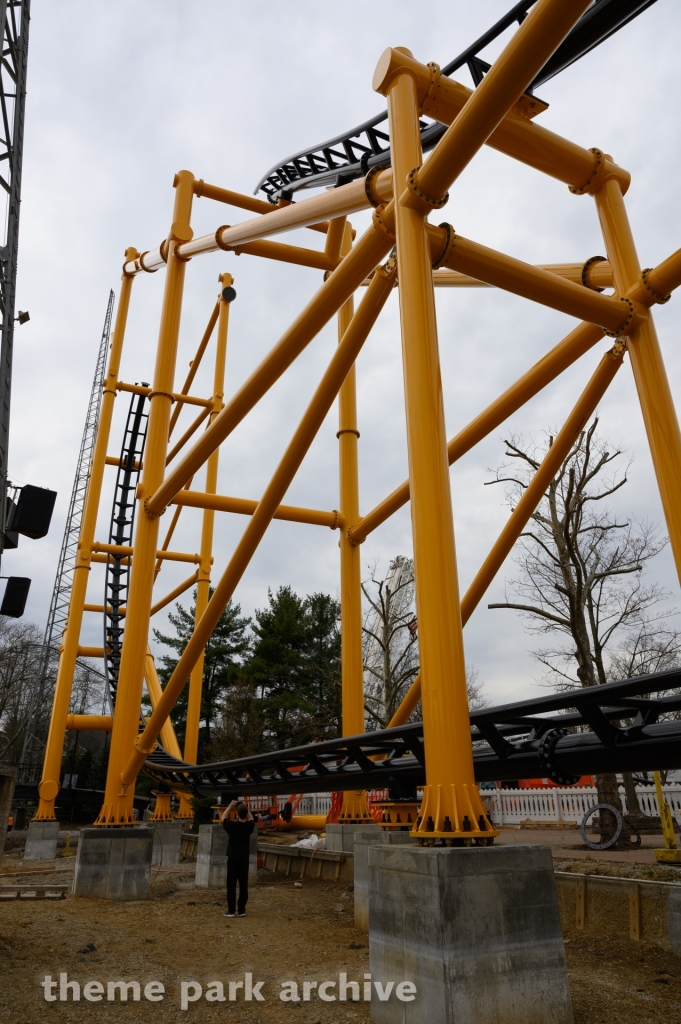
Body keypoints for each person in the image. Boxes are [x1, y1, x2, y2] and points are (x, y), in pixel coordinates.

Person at [221, 800, 255, 918]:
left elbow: (223, 817)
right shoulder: (249, 827)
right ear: (246, 814)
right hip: (244, 858)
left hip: (233, 857)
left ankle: (231, 910)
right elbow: (251, 819)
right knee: (243, 884)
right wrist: (245, 807)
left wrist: (231, 805)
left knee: (231, 884)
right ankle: (241, 910)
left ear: (237, 814)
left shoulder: (232, 826)